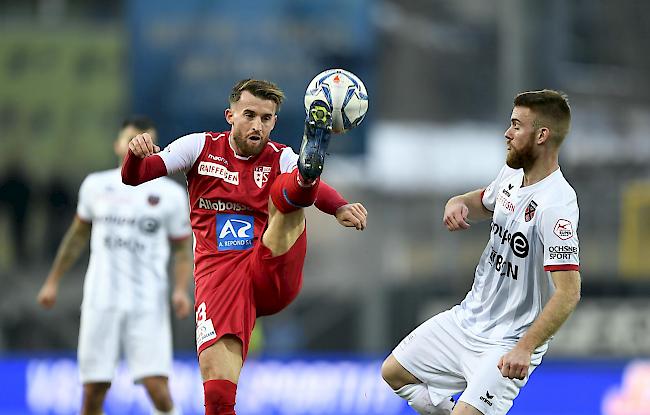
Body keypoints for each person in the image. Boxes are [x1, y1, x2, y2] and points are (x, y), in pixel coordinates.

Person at [121, 79, 368, 414]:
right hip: (220, 279)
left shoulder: (279, 156)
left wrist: (338, 206)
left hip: (269, 266)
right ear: (230, 115)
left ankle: (306, 174)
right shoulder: (199, 148)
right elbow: (136, 176)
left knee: (288, 194)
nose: (257, 125)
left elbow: (320, 194)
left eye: (266, 119)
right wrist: (134, 156)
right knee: (219, 399)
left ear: (274, 122)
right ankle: (304, 177)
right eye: (249, 115)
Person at [381, 90, 581, 415]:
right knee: (394, 372)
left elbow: (569, 293)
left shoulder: (556, 206)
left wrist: (525, 349)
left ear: (542, 135)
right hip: (467, 319)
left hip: (507, 342)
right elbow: (483, 201)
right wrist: (457, 202)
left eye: (517, 125)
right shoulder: (512, 176)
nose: (507, 133)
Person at [37, 116, 193, 415]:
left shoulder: (171, 196)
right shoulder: (96, 186)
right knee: (94, 390)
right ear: (118, 144)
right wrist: (52, 281)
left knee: (156, 387)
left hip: (147, 302)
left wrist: (181, 290)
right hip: (101, 299)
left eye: (146, 139)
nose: (138, 144)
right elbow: (76, 237)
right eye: (132, 138)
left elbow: (182, 250)